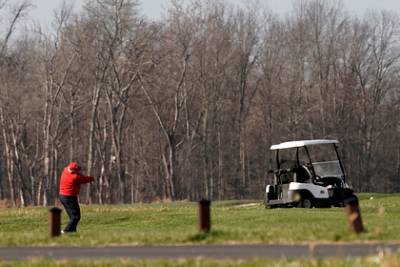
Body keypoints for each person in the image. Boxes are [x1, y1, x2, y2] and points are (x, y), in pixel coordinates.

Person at [59, 162, 94, 233]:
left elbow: (78, 173)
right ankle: (65, 231)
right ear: (73, 171)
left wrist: (78, 170)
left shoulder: (65, 170)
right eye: (76, 170)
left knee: (73, 216)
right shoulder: (75, 177)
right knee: (76, 217)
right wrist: (92, 178)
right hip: (69, 197)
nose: (78, 171)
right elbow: (84, 179)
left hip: (63, 196)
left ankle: (72, 231)